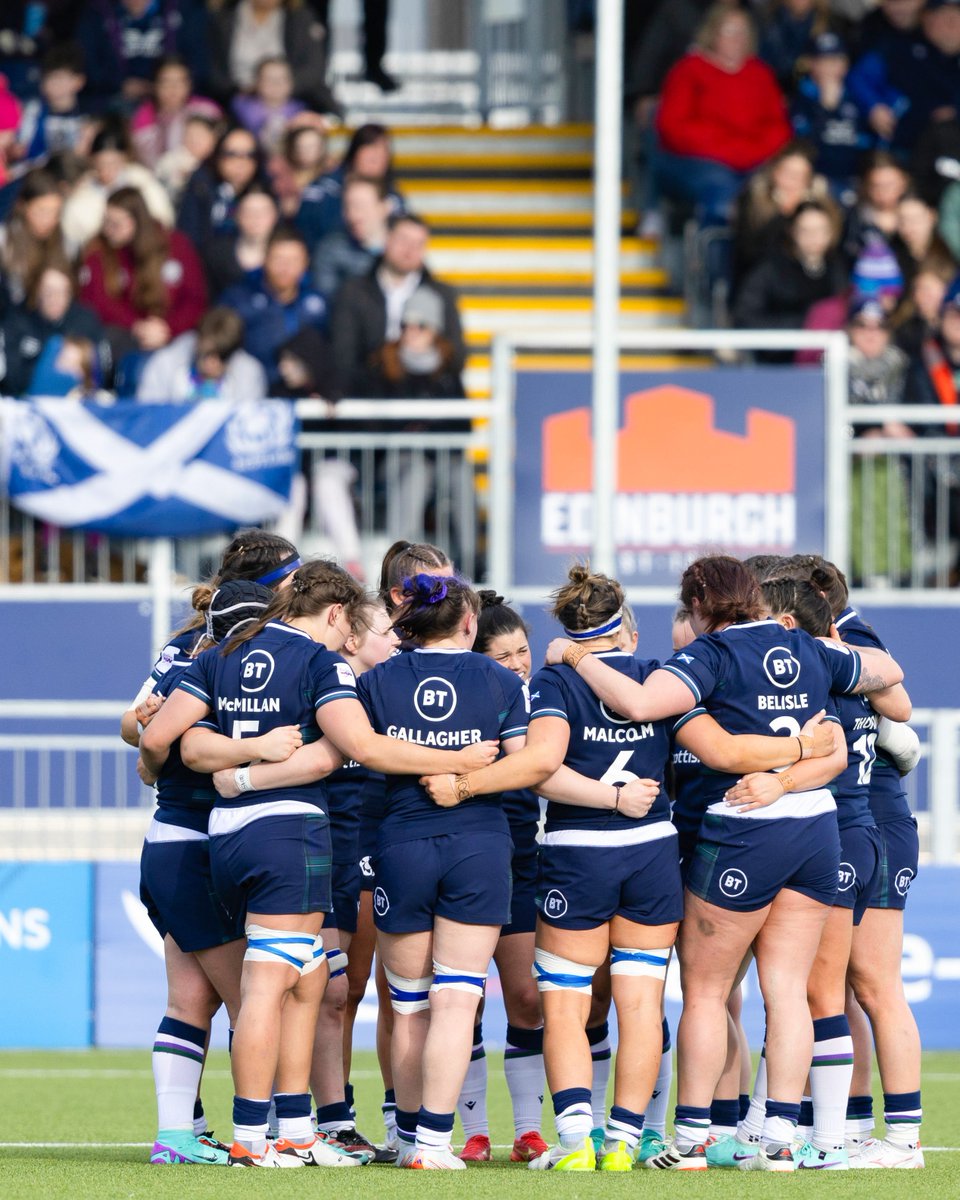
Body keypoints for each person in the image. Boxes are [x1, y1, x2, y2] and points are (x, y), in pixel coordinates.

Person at [542, 555, 904, 1172]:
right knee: (787, 990)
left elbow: (639, 704)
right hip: (817, 826)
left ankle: (692, 1139)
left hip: (744, 832)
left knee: (707, 992)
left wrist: (575, 657)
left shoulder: (708, 657)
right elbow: (887, 673)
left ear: (702, 608)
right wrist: (790, 771)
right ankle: (781, 1141)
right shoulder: (807, 646)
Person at [141, 560, 496, 1167]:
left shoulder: (226, 651)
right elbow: (351, 750)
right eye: (350, 626)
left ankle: (300, 1131)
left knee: (310, 981)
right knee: (269, 987)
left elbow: (168, 741)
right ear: (335, 615)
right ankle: (254, 1138)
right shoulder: (318, 662)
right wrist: (456, 755)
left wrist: (240, 765)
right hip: (289, 832)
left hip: (222, 836)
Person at [741, 575, 909, 1169]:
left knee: (816, 992)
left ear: (787, 626)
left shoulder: (812, 681)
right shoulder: (846, 675)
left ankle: (830, 1140)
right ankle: (773, 1126)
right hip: (848, 834)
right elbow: (898, 699)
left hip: (835, 835)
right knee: (813, 991)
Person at [134, 579, 290, 1168]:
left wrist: (150, 767)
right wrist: (265, 749)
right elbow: (158, 737)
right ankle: (268, 1127)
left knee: (192, 998)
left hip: (172, 844)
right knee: (250, 996)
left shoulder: (194, 664)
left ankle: (181, 1134)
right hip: (194, 846)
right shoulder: (218, 673)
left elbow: (147, 740)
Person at [453, 592, 547, 1165]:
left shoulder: (546, 701)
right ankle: (474, 1131)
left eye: (523, 651)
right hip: (465, 855)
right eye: (504, 654)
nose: (518, 664)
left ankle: (530, 1130)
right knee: (460, 1002)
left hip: (522, 858)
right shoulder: (471, 699)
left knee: (526, 1000)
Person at [652, 5, 792, 226]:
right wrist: (730, 152)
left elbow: (778, 126)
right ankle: (714, 253)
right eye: (729, 31)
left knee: (777, 188)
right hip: (698, 162)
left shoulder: (760, 73)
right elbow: (672, 127)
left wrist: (749, 153)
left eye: (742, 31)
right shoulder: (688, 70)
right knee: (720, 188)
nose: (737, 38)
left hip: (753, 161)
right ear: (712, 32)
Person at [331, 213, 464, 396]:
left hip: (428, 401)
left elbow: (458, 357)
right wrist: (387, 357)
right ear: (387, 239)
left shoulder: (442, 294)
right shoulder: (353, 292)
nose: (410, 250)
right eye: (404, 240)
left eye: (419, 244)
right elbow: (343, 357)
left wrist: (433, 349)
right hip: (370, 404)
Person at [78, 185, 208, 361]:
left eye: (116, 224)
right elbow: (98, 300)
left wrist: (168, 329)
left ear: (137, 221)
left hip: (175, 335)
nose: (108, 230)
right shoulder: (98, 251)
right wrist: (137, 326)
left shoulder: (176, 246)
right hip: (126, 336)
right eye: (106, 222)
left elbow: (194, 299)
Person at [845, 295, 914, 585]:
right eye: (863, 325)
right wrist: (861, 438)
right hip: (854, 472)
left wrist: (902, 431)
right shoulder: (836, 367)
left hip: (904, 470)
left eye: (880, 326)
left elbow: (922, 413)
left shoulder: (904, 366)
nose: (871, 333)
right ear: (850, 329)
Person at [219, 223, 327, 385]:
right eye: (279, 259)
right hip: (249, 392)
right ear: (265, 259)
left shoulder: (318, 303)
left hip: (303, 394)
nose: (285, 267)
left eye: (293, 260)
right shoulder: (238, 298)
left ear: (305, 263)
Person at [733, 199, 848, 332]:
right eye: (805, 230)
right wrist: (805, 324)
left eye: (820, 230)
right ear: (792, 231)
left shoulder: (839, 269)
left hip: (830, 349)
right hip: (779, 347)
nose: (813, 237)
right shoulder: (770, 270)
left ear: (831, 233)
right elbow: (744, 317)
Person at [61, 122, 175, 254]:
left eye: (114, 163)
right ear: (92, 161)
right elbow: (72, 241)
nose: (108, 170)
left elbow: (162, 221)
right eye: (102, 164)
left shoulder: (143, 182)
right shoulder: (81, 196)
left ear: (124, 158)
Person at [75, 0, 208, 112]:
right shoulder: (97, 12)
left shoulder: (183, 9)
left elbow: (199, 64)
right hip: (113, 96)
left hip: (174, 96)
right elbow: (88, 64)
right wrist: (120, 84)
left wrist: (163, 86)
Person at [0, 263, 110, 396]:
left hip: (77, 401)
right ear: (38, 292)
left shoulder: (86, 320)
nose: (55, 298)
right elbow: (11, 377)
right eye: (49, 291)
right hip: (27, 401)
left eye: (62, 292)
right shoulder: (18, 321)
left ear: (70, 294)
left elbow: (102, 369)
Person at [790, 31, 873, 205]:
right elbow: (803, 145)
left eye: (835, 60)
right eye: (822, 61)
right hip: (817, 176)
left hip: (853, 177)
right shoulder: (802, 98)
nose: (829, 68)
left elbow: (867, 141)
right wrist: (825, 109)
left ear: (845, 64)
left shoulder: (856, 96)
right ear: (811, 64)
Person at [207, 0, 334, 113]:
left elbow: (313, 69)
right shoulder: (224, 17)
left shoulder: (300, 16)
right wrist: (245, 91)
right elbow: (212, 69)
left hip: (293, 101)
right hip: (233, 101)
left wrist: (278, 88)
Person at [732, 141, 830, 285]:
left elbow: (831, 250)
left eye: (800, 175)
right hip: (764, 280)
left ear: (809, 179)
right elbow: (748, 250)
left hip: (812, 282)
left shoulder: (820, 205)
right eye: (787, 173)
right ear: (774, 172)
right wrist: (787, 214)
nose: (792, 181)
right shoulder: (754, 201)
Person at [296, 123, 403, 249]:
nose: (377, 157)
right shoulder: (323, 188)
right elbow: (303, 228)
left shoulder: (393, 196)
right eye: (371, 148)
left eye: (384, 150)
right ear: (355, 152)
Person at [136, 306, 267, 402]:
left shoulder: (249, 372)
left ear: (235, 353)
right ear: (196, 342)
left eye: (222, 356)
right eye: (205, 354)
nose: (211, 363)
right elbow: (148, 414)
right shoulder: (166, 362)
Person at [177, 125, 270, 252]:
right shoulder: (200, 186)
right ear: (218, 155)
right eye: (232, 154)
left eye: (249, 155)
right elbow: (188, 238)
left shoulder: (266, 188)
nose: (241, 161)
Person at [131, 57, 221, 173]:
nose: (173, 89)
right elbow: (146, 160)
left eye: (179, 82)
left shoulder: (207, 110)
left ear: (189, 84)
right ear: (154, 85)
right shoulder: (144, 116)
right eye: (166, 82)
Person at [312, 174, 390, 301]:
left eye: (361, 206)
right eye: (348, 206)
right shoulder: (330, 249)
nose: (353, 215)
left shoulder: (403, 245)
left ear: (385, 207)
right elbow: (328, 300)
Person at [0, 168, 68, 310]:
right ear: (23, 207)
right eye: (41, 211)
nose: (49, 220)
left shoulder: (62, 239)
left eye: (55, 213)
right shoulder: (5, 240)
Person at [16, 43, 90, 165]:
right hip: (37, 173)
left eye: (60, 78)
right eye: (49, 78)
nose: (54, 84)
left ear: (79, 81)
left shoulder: (86, 119)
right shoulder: (33, 113)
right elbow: (21, 148)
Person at [201, 182, 278, 296]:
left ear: (275, 216)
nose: (256, 218)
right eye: (249, 212)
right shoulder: (216, 254)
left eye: (262, 212)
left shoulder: (288, 252)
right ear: (237, 216)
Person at [232, 56, 305, 153]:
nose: (276, 84)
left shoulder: (301, 111)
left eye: (282, 79)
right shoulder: (240, 108)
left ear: (291, 83)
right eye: (269, 79)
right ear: (257, 82)